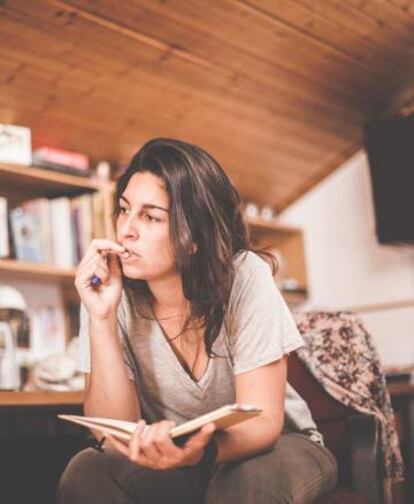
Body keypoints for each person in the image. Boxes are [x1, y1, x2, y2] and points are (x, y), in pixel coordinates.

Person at [58, 138, 337, 504]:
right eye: (124, 210)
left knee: (244, 482)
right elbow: (114, 435)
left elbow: (263, 422)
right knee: (89, 470)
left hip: (276, 446)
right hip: (177, 461)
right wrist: (101, 316)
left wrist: (200, 453)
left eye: (150, 216)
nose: (125, 229)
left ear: (193, 236)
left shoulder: (246, 277)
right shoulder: (108, 287)